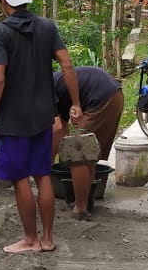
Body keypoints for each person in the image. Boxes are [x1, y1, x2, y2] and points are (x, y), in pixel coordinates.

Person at [0, 0, 81, 254]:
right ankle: (48, 240)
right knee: (42, 175)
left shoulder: (0, 32)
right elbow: (67, 64)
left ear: (2, 0)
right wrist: (75, 103)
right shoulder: (47, 27)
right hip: (44, 116)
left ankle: (30, 239)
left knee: (20, 179)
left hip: (15, 119)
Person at [52, 65, 123, 221]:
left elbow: (56, 129)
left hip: (101, 98)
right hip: (113, 95)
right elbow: (62, 128)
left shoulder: (46, 89)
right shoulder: (56, 84)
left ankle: (81, 208)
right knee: (87, 155)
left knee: (78, 155)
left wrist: (48, 159)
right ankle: (84, 202)